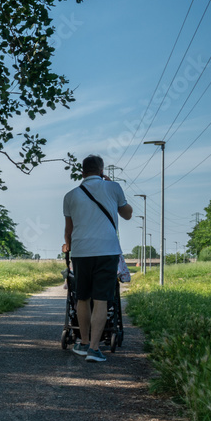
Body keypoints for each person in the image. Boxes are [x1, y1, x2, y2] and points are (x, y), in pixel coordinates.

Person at [62, 155, 133, 362]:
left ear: (82, 172)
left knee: (82, 297)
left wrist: (69, 247)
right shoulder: (114, 188)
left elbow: (68, 231)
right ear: (102, 171)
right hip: (107, 250)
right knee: (101, 299)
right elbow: (127, 214)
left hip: (81, 252)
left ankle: (84, 343)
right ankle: (94, 349)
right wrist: (111, 185)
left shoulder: (70, 196)